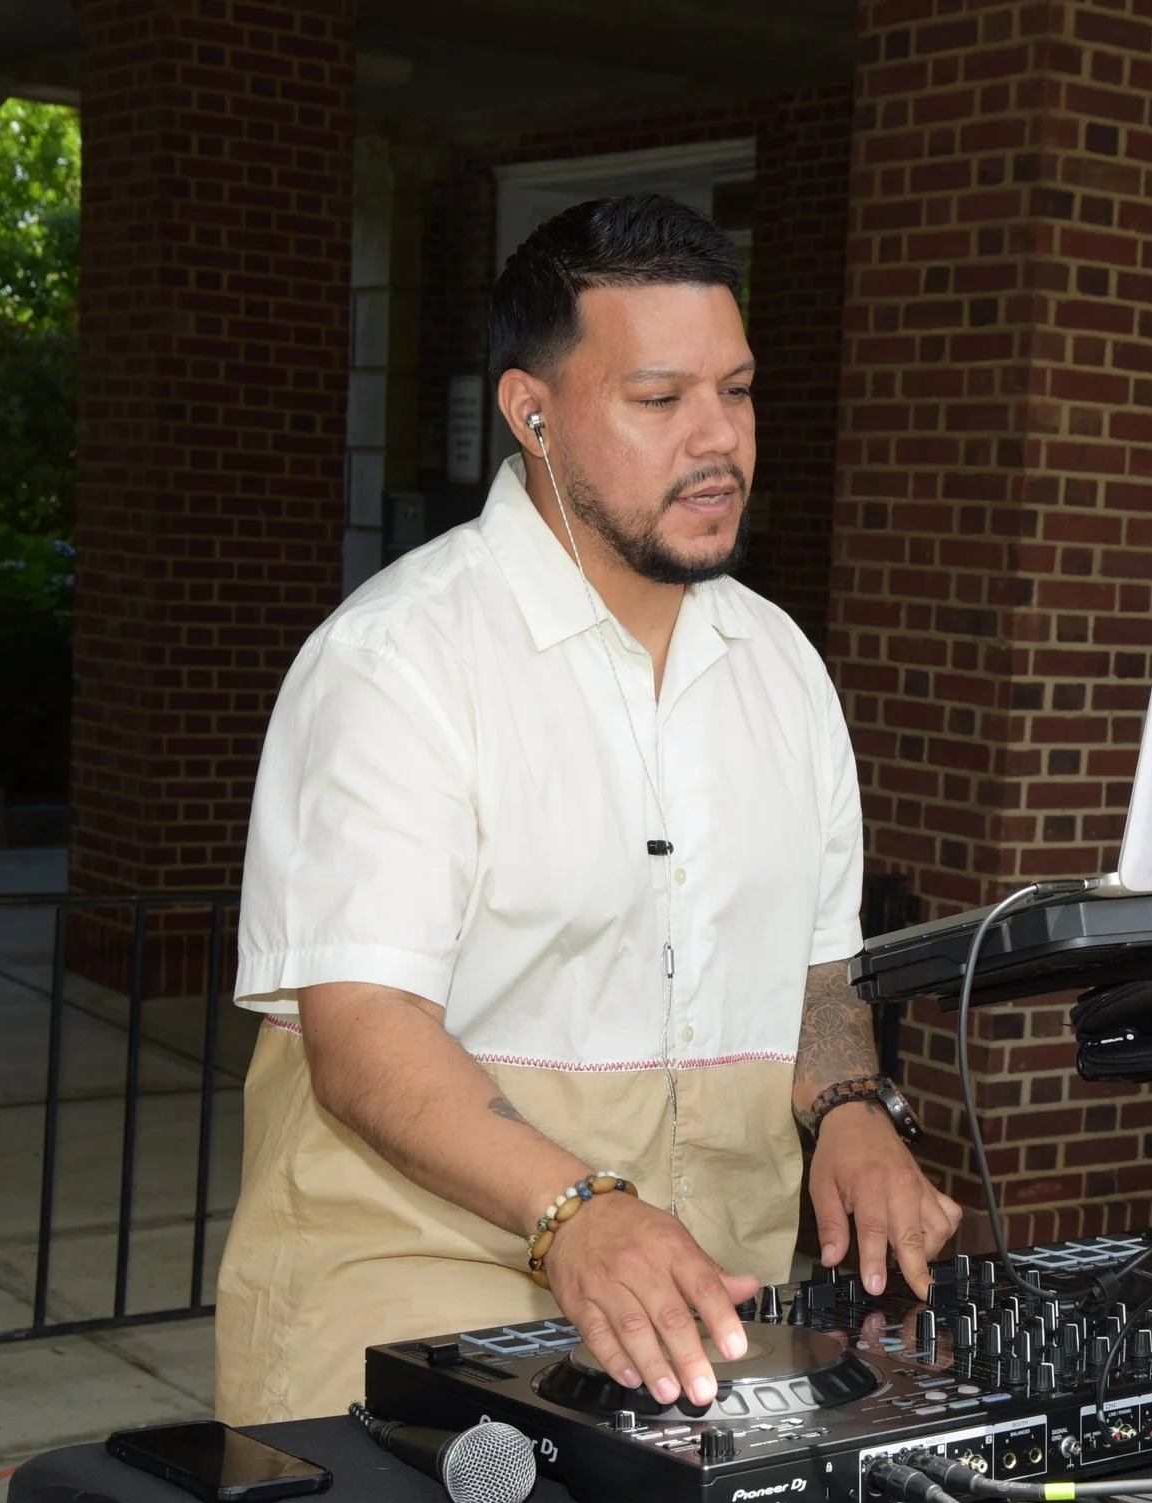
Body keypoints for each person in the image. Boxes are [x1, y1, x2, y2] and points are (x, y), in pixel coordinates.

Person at [216, 194, 961, 1424]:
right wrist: (578, 1212)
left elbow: (820, 976)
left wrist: (850, 1113)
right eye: (659, 399)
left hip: (708, 1310)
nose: (718, 439)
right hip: (412, 1306)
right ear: (533, 413)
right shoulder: (396, 661)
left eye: (738, 391)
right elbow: (360, 1030)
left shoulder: (783, 668)